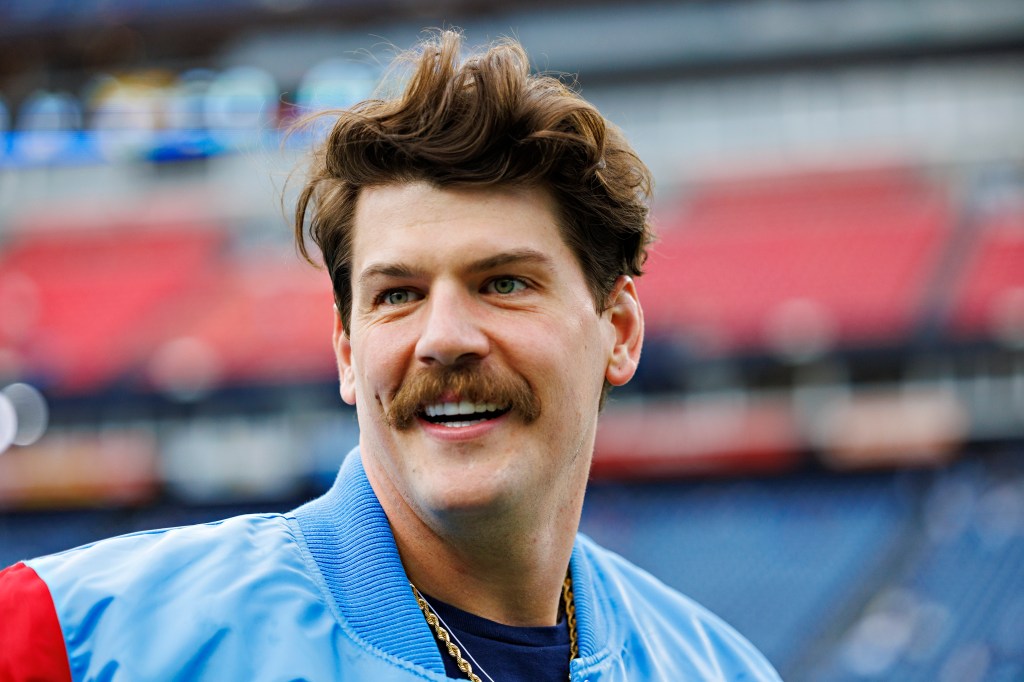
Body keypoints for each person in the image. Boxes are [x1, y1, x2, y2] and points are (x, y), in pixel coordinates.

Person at [0, 31, 781, 681]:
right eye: (397, 294)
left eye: (502, 282)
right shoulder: (70, 640)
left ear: (619, 330)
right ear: (347, 351)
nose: (443, 338)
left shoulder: (720, 669)